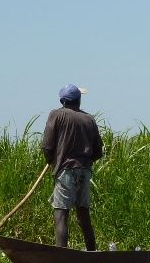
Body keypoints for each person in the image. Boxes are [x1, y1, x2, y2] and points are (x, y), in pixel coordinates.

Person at [41, 83, 104, 250]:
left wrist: (51, 160)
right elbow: (98, 152)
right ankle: (92, 252)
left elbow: (47, 146)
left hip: (66, 171)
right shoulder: (89, 119)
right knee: (83, 213)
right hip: (84, 171)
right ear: (78, 100)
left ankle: (61, 257)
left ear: (62, 101)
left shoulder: (56, 115)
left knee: (61, 213)